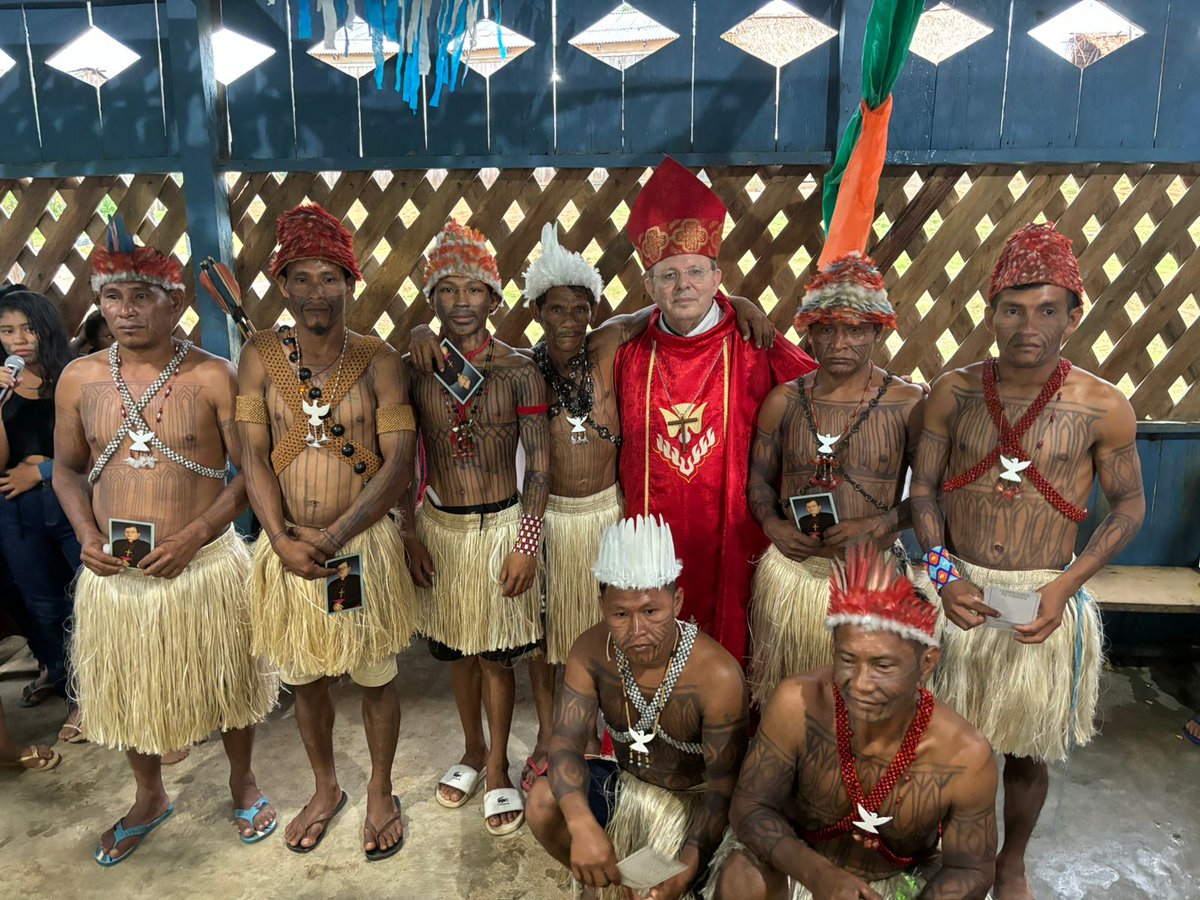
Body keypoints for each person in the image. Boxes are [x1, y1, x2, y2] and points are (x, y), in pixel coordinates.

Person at [407, 223, 776, 791]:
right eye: (556, 311)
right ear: (536, 312)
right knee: (547, 635)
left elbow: (651, 313)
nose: (569, 322)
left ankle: (612, 731)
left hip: (603, 515)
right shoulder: (526, 370)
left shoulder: (606, 345)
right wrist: (413, 330)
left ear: (593, 313)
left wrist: (737, 300)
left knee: (602, 625)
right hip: (548, 514)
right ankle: (553, 735)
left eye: (580, 310)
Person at [910, 222, 1145, 899]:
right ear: (992, 313)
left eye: (1047, 310)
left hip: (1044, 596)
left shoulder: (1104, 407)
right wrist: (947, 579)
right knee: (940, 736)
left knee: (1026, 748)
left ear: (1074, 317)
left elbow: (1129, 507)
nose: (1028, 325)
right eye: (1012, 308)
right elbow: (922, 491)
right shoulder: (952, 392)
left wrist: (1066, 587)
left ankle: (1010, 862)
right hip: (956, 592)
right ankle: (948, 852)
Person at [54, 218, 277, 865]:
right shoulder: (79, 379)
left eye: (142, 295)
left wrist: (198, 534)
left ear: (175, 302)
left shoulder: (213, 377)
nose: (126, 310)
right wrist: (86, 533)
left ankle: (244, 782)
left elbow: (252, 471)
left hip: (203, 565)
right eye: (113, 296)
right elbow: (66, 470)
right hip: (115, 577)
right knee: (129, 692)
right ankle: (148, 795)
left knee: (232, 683)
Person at [238, 203, 418, 860]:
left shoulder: (381, 359)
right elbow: (252, 455)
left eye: (331, 277)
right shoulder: (258, 356)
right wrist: (280, 540)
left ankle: (380, 790)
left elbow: (398, 463)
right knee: (306, 679)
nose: (318, 292)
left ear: (351, 283)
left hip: (357, 549)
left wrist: (338, 533)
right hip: (288, 548)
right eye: (304, 277)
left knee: (375, 677)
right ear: (283, 283)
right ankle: (325, 788)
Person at [615, 157, 818, 664]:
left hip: (736, 538)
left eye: (695, 272)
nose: (683, 285)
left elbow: (828, 392)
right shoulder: (626, 354)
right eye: (668, 275)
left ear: (717, 277)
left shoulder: (755, 342)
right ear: (648, 287)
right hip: (650, 541)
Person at [715, 542, 998, 899]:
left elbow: (971, 868)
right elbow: (750, 808)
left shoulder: (966, 755)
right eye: (847, 660)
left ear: (926, 663)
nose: (860, 684)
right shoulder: (796, 703)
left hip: (900, 883)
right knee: (743, 877)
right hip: (800, 869)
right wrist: (820, 877)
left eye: (882, 666)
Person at [402, 219, 551, 837]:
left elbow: (540, 465)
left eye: (473, 290)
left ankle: (496, 766)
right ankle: (468, 749)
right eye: (447, 291)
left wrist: (526, 545)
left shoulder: (519, 371)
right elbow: (399, 461)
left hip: (500, 530)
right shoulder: (412, 369)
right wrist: (411, 533)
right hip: (441, 529)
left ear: (494, 298)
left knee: (496, 658)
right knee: (457, 654)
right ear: (431, 299)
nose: (461, 303)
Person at [527, 515, 748, 899]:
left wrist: (689, 864)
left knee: (741, 878)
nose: (637, 630)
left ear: (676, 602)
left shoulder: (717, 676)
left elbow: (722, 789)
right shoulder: (589, 651)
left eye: (651, 611)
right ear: (602, 607)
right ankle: (610, 887)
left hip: (696, 808)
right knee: (543, 802)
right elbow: (564, 743)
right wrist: (581, 824)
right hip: (628, 788)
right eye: (620, 614)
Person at [745, 254, 929, 705]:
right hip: (795, 576)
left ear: (877, 331)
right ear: (809, 331)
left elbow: (932, 494)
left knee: (863, 709)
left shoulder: (907, 404)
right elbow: (758, 483)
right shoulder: (783, 401)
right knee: (790, 705)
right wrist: (774, 527)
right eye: (825, 329)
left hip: (872, 579)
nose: (839, 343)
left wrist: (879, 527)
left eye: (854, 330)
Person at [0, 286, 85, 743]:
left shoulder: (74, 376)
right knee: (44, 605)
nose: (19, 339)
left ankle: (110, 686)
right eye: (7, 330)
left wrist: (44, 471)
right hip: (16, 512)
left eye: (28, 327)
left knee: (91, 596)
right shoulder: (2, 386)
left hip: (73, 502)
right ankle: (76, 693)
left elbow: (95, 450)